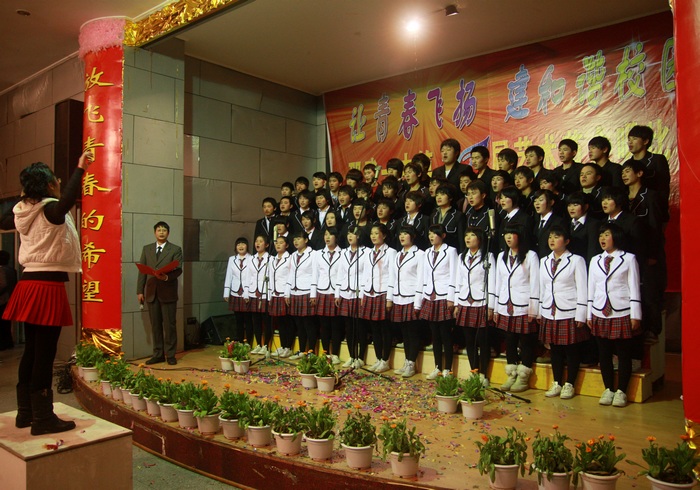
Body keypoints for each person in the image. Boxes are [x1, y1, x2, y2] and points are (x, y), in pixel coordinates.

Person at [1, 151, 92, 435]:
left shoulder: (22, 211)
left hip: (29, 283)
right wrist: (80, 168)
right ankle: (42, 418)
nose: (59, 183)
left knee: (31, 350)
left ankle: (25, 413)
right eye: (55, 180)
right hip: (46, 287)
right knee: (44, 354)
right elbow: (66, 202)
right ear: (49, 184)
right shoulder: (49, 209)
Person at [588, 222, 642, 408]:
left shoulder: (628, 259)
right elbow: (591, 288)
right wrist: (589, 313)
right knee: (604, 354)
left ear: (616, 237)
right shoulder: (595, 260)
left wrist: (635, 314)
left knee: (623, 354)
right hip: (599, 310)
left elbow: (634, 286)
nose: (602, 238)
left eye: (606, 235)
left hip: (622, 310)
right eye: (600, 235)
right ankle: (609, 389)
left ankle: (621, 391)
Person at [539, 226, 589, 399]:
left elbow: (582, 288)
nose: (552, 240)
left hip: (569, 309)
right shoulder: (544, 261)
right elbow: (542, 288)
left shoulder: (576, 260)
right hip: (549, 310)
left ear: (567, 241)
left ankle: (570, 384)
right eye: (550, 237)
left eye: (556, 236)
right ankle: (557, 382)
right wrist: (540, 310)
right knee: (555, 349)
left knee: (571, 349)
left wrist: (581, 313)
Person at [494, 224, 539, 393]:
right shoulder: (502, 256)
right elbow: (499, 282)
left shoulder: (530, 255)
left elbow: (535, 282)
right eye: (506, 234)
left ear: (519, 236)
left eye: (512, 234)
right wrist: (496, 308)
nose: (508, 237)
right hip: (506, 304)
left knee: (526, 340)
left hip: (524, 303)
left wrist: (533, 308)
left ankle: (523, 376)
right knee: (510, 339)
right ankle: (511, 373)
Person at [137, 221, 184, 366]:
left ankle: (170, 355)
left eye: (164, 230)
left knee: (169, 325)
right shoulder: (147, 249)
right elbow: (142, 271)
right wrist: (140, 291)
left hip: (168, 292)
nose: (161, 232)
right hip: (152, 292)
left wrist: (166, 277)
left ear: (168, 233)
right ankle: (158, 354)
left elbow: (178, 269)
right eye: (159, 230)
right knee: (155, 325)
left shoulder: (175, 249)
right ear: (155, 233)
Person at [417, 224, 458, 379]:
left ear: (443, 235)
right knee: (435, 335)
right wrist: (422, 296)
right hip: (430, 296)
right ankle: (438, 367)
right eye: (429, 234)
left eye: (434, 233)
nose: (431, 236)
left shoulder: (451, 251)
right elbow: (425, 276)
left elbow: (454, 274)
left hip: (444, 296)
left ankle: (448, 368)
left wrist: (451, 297)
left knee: (445, 334)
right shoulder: (427, 252)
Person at [455, 227, 495, 386]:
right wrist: (457, 303)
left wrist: (491, 306)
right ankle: (474, 372)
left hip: (481, 301)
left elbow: (492, 281)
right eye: (466, 235)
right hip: (465, 301)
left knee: (483, 341)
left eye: (472, 235)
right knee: (469, 341)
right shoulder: (462, 256)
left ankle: (484, 374)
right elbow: (459, 280)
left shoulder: (488, 256)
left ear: (479, 239)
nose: (468, 238)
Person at [388, 226, 424, 378]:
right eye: (400, 234)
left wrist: (418, 302)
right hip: (399, 297)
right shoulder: (398, 255)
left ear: (413, 236)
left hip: (412, 296)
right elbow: (392, 277)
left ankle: (412, 363)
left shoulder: (420, 254)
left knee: (413, 332)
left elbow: (421, 279)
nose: (402, 236)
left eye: (405, 234)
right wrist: (390, 298)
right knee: (404, 333)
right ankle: (407, 361)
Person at [360, 224, 397, 373]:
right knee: (374, 328)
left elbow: (392, 276)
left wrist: (389, 297)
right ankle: (378, 358)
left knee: (384, 328)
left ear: (384, 235)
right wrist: (363, 294)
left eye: (377, 233)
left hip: (383, 292)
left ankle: (385, 360)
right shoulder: (368, 252)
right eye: (372, 233)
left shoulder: (391, 252)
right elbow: (365, 274)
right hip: (370, 292)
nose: (373, 236)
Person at [624, 125, 671, 224]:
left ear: (645, 141)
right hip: (632, 212)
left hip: (653, 211)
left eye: (634, 139)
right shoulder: (627, 164)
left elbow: (663, 188)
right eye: (629, 139)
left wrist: (661, 213)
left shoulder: (657, 160)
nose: (630, 142)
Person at [335, 227, 368, 369]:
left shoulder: (367, 252)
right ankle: (351, 355)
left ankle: (360, 357)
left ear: (359, 236)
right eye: (348, 233)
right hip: (345, 292)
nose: (350, 236)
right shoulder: (343, 252)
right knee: (348, 327)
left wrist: (363, 293)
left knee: (360, 327)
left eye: (353, 234)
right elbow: (340, 273)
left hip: (358, 293)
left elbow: (367, 274)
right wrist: (337, 293)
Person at [286, 231, 317, 358]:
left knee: (308, 323)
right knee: (299, 324)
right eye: (294, 239)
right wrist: (287, 293)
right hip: (295, 291)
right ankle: (302, 350)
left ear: (306, 240)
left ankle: (311, 351)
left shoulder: (313, 254)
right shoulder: (293, 255)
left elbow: (315, 274)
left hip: (307, 291)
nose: (296, 241)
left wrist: (313, 294)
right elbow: (290, 274)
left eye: (299, 238)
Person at [314, 227, 343, 364]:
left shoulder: (343, 253)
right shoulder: (318, 254)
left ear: (336, 237)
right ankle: (325, 353)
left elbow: (342, 275)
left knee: (336, 325)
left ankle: (335, 354)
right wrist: (313, 294)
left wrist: (339, 293)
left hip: (335, 292)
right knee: (324, 325)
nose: (327, 237)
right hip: (322, 291)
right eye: (325, 234)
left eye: (330, 235)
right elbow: (315, 275)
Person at [268, 236, 294, 358]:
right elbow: (270, 277)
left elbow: (290, 276)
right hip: (275, 293)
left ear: (287, 245)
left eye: (281, 243)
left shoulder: (290, 258)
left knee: (287, 321)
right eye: (276, 243)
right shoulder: (272, 259)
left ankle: (288, 347)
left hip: (285, 293)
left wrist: (287, 293)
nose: (278, 245)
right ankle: (283, 346)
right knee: (280, 322)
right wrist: (270, 294)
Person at [246, 235, 272, 356]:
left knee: (266, 320)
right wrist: (246, 292)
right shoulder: (251, 259)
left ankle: (266, 345)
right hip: (253, 292)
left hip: (265, 293)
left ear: (266, 245)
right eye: (256, 241)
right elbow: (248, 276)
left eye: (261, 241)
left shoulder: (270, 259)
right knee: (255, 320)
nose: (258, 243)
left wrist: (270, 294)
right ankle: (258, 344)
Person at [223, 237, 251, 343]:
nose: (241, 246)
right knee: (238, 320)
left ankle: (248, 342)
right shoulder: (232, 259)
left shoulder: (252, 258)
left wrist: (248, 292)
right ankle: (240, 342)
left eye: (243, 244)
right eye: (238, 244)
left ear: (247, 246)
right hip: (235, 292)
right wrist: (226, 292)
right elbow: (229, 275)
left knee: (248, 320)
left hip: (247, 293)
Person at [0, 250, 18, 350]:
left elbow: (2, 285)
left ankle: (3, 344)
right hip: (10, 299)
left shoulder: (1, 270)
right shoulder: (12, 270)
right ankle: (8, 342)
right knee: (6, 324)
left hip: (2, 300)